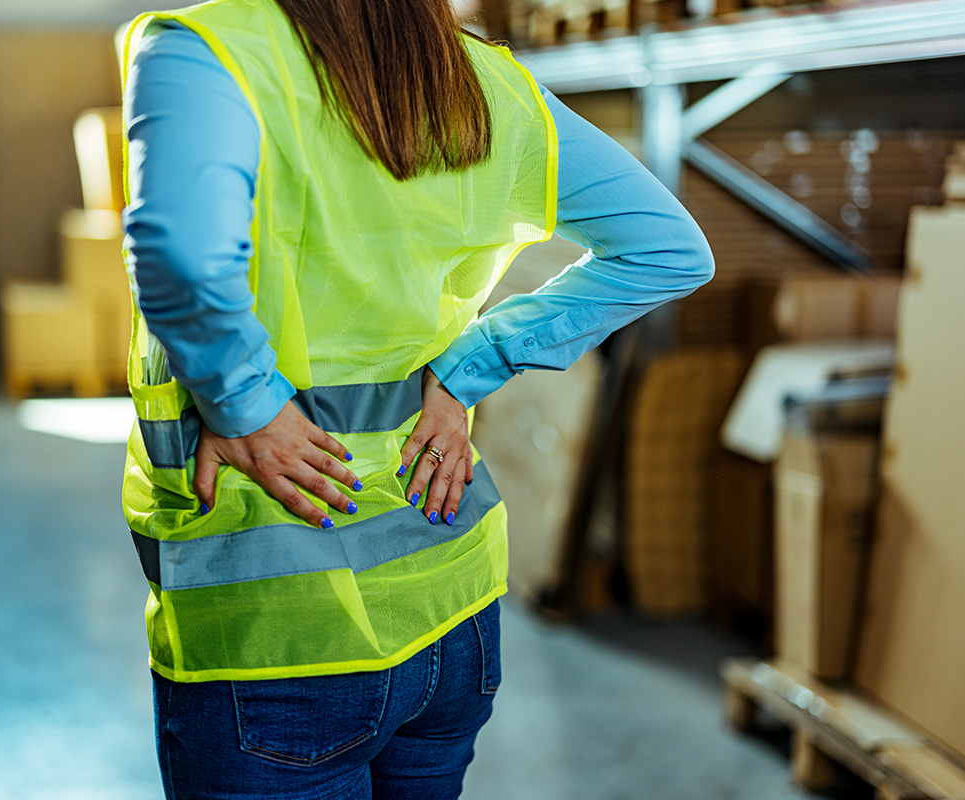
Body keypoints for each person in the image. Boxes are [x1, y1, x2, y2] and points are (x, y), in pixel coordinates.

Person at [119, 0, 713, 796]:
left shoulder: (207, 52)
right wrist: (469, 368)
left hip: (279, 629)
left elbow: (181, 258)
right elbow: (667, 247)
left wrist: (246, 404)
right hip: (449, 603)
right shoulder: (483, 84)